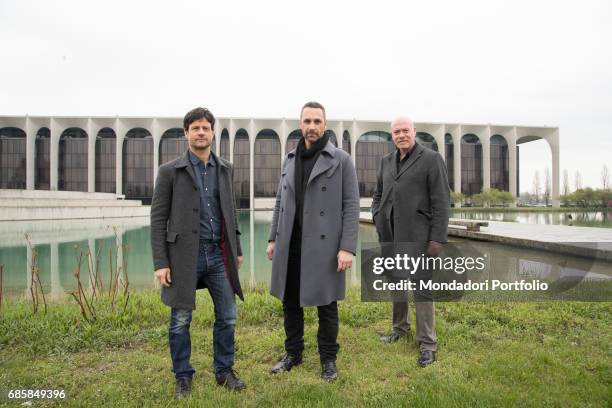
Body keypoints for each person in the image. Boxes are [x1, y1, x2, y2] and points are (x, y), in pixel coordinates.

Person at [150, 107, 246, 399]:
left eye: (205, 128)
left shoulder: (225, 168)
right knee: (180, 320)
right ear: (186, 134)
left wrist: (237, 249)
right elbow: (157, 218)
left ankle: (224, 370)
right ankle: (182, 376)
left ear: (213, 132)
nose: (201, 133)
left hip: (218, 256)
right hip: (183, 257)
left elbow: (231, 212)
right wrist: (160, 262)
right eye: (195, 128)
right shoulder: (170, 171)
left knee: (228, 316)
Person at [266, 101, 359, 381]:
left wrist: (347, 247)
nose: (312, 127)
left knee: (326, 305)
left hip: (325, 246)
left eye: (317, 121)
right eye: (307, 121)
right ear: (300, 124)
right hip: (291, 243)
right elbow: (280, 200)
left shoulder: (341, 159)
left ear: (325, 124)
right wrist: (273, 237)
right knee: (290, 302)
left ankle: (328, 360)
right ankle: (293, 353)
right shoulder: (290, 158)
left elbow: (351, 205)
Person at [371, 116, 450, 367]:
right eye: (396, 132)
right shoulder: (385, 161)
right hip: (390, 235)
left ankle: (428, 343)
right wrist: (376, 214)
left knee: (422, 289)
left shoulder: (431, 159)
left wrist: (437, 238)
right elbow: (378, 193)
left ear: (414, 132)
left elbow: (441, 202)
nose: (401, 135)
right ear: (391, 135)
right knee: (395, 283)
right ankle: (399, 329)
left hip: (419, 236)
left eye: (405, 130)